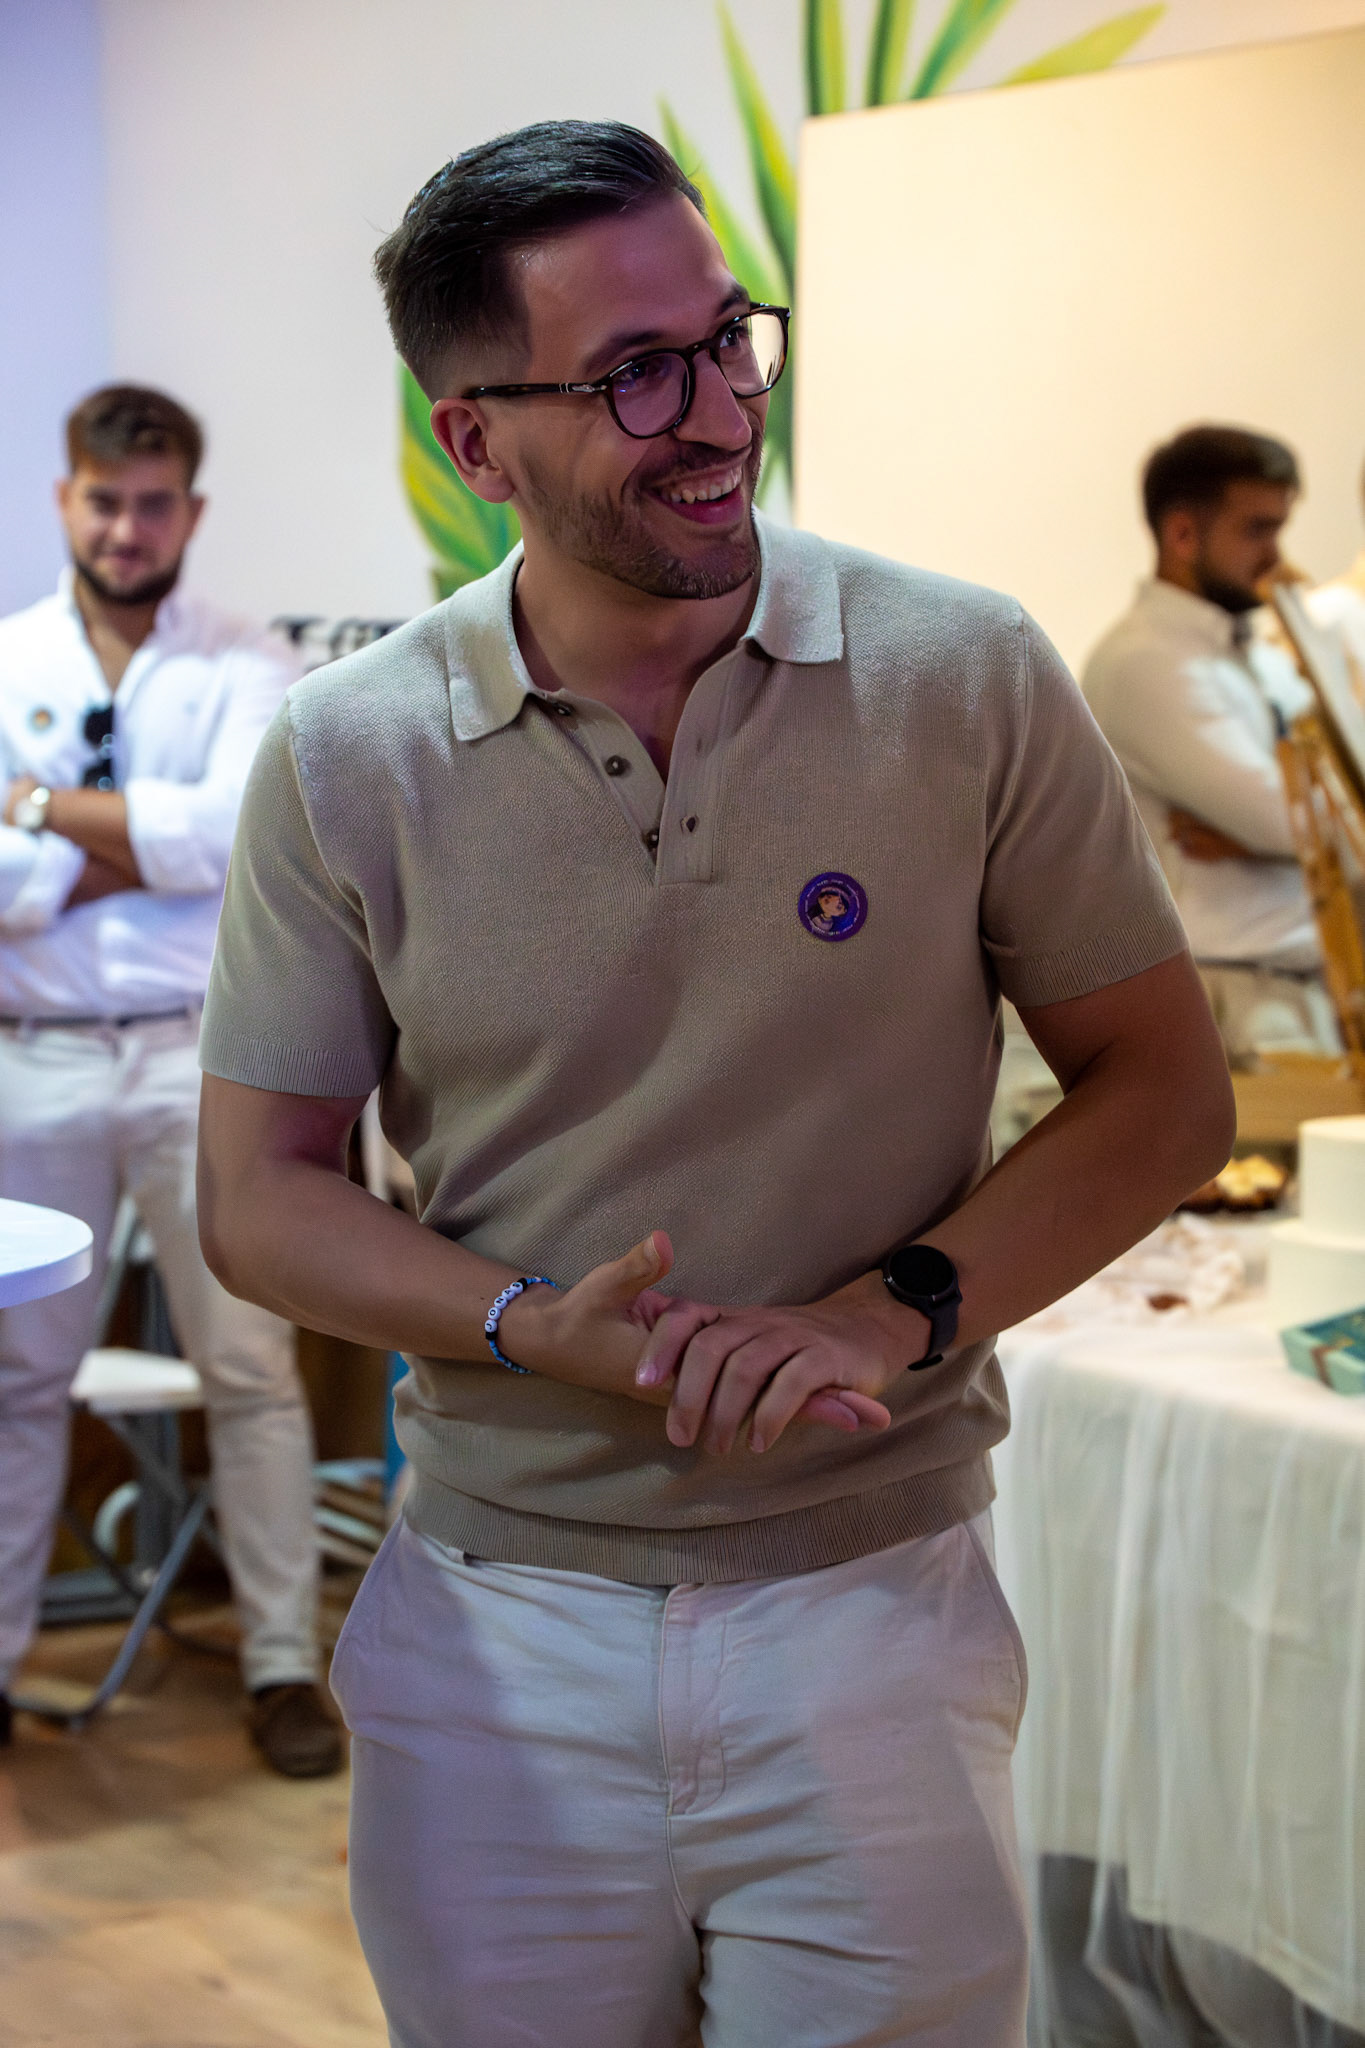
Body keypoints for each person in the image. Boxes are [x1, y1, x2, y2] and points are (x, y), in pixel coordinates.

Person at [195, 123, 1232, 2047]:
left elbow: (1164, 1092)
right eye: (633, 375)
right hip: (497, 1630)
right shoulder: (349, 752)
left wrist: (883, 1312)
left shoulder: (963, 673)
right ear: (475, 441)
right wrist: (530, 1323)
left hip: (875, 1607)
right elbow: (259, 1196)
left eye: (730, 338)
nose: (720, 413)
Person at [0, 384, 341, 1778]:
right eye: (105, 501)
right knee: (18, 1378)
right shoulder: (7, 657)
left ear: (190, 511)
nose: (127, 529)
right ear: (64, 499)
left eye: (154, 505)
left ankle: (281, 1666)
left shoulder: (253, 660)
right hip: (37, 1056)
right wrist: (138, 852)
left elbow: (233, 835)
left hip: (203, 1055)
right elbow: (88, 870)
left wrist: (36, 816)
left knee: (249, 1367)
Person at [1083, 425, 1337, 1065]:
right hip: (1229, 993)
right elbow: (1286, 819)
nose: (1277, 556)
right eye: (1258, 530)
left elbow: (1329, 807)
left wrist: (1282, 838)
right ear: (1182, 534)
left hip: (1302, 982)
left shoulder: (1257, 653)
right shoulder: (1146, 663)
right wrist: (1290, 837)